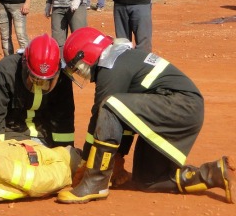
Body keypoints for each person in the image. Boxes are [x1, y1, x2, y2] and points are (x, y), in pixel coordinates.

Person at [57, 26, 235, 204]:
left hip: (180, 106)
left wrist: (86, 163)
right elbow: (123, 118)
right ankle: (215, 173)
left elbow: (99, 117)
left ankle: (95, 183)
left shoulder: (111, 67)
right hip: (180, 109)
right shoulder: (121, 58)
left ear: (86, 56)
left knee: (108, 105)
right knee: (148, 180)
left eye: (76, 67)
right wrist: (118, 156)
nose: (79, 73)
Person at [0, 34, 75, 148]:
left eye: (47, 81)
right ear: (25, 65)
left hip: (45, 136)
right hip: (12, 134)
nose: (39, 83)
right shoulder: (6, 70)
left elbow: (63, 119)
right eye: (34, 78)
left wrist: (64, 152)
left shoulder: (62, 78)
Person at [0, 130, 82, 203]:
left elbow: (37, 180)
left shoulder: (63, 170)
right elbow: (7, 145)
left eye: (78, 153)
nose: (74, 149)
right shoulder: (39, 148)